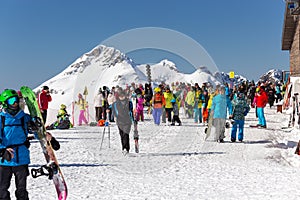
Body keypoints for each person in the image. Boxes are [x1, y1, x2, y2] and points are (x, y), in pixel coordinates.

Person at [112, 89, 134, 155]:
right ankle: (123, 147)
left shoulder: (129, 103)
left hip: (127, 121)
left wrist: (133, 119)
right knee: (122, 135)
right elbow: (111, 107)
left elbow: (131, 111)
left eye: (123, 96)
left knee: (125, 134)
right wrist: (108, 109)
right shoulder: (116, 103)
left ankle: (126, 148)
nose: (122, 97)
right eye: (120, 96)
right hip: (119, 121)